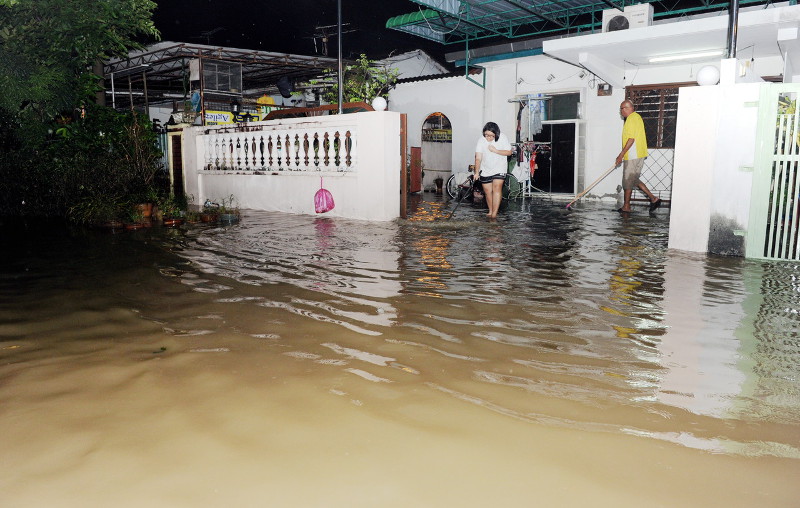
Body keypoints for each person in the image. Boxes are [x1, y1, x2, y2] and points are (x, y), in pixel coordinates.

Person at [615, 100, 661, 213]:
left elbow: (631, 139)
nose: (621, 111)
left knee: (627, 181)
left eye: (621, 108)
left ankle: (627, 206)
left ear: (627, 108)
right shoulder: (637, 117)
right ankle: (654, 199)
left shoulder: (631, 119)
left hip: (632, 155)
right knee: (633, 180)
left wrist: (621, 155)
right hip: (638, 154)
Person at [474, 122, 513, 218]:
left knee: (497, 189)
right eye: (486, 135)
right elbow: (478, 158)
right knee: (487, 191)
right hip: (485, 169)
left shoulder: (503, 137)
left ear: (496, 134)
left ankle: (494, 214)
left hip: (499, 167)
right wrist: (476, 172)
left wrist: (496, 150)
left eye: (491, 136)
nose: (489, 138)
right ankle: (491, 211)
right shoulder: (481, 140)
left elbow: (509, 152)